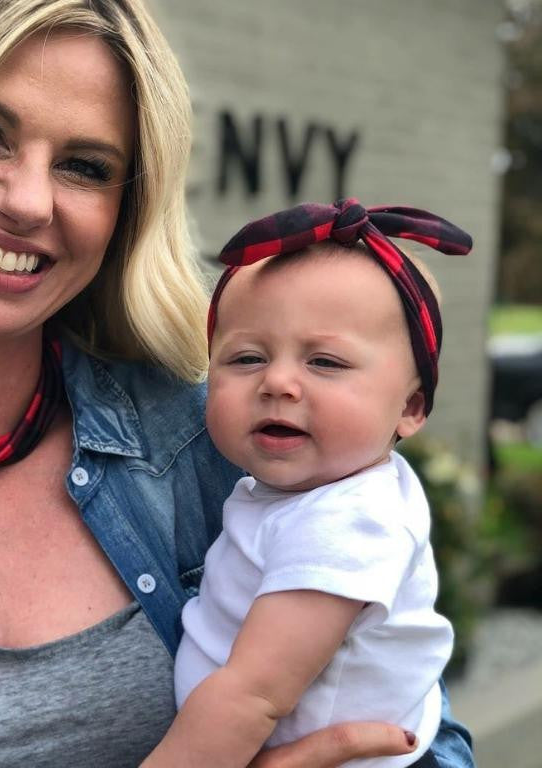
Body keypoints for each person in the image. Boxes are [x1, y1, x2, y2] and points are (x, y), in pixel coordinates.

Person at [0, 0, 473, 766]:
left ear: (123, 216)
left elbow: (416, 726)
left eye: (85, 166)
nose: (27, 200)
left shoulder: (220, 443)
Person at [142, 200, 472, 768]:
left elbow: (254, 695)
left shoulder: (347, 524)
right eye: (246, 358)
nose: (278, 382)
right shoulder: (313, 492)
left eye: (325, 362)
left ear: (410, 408)